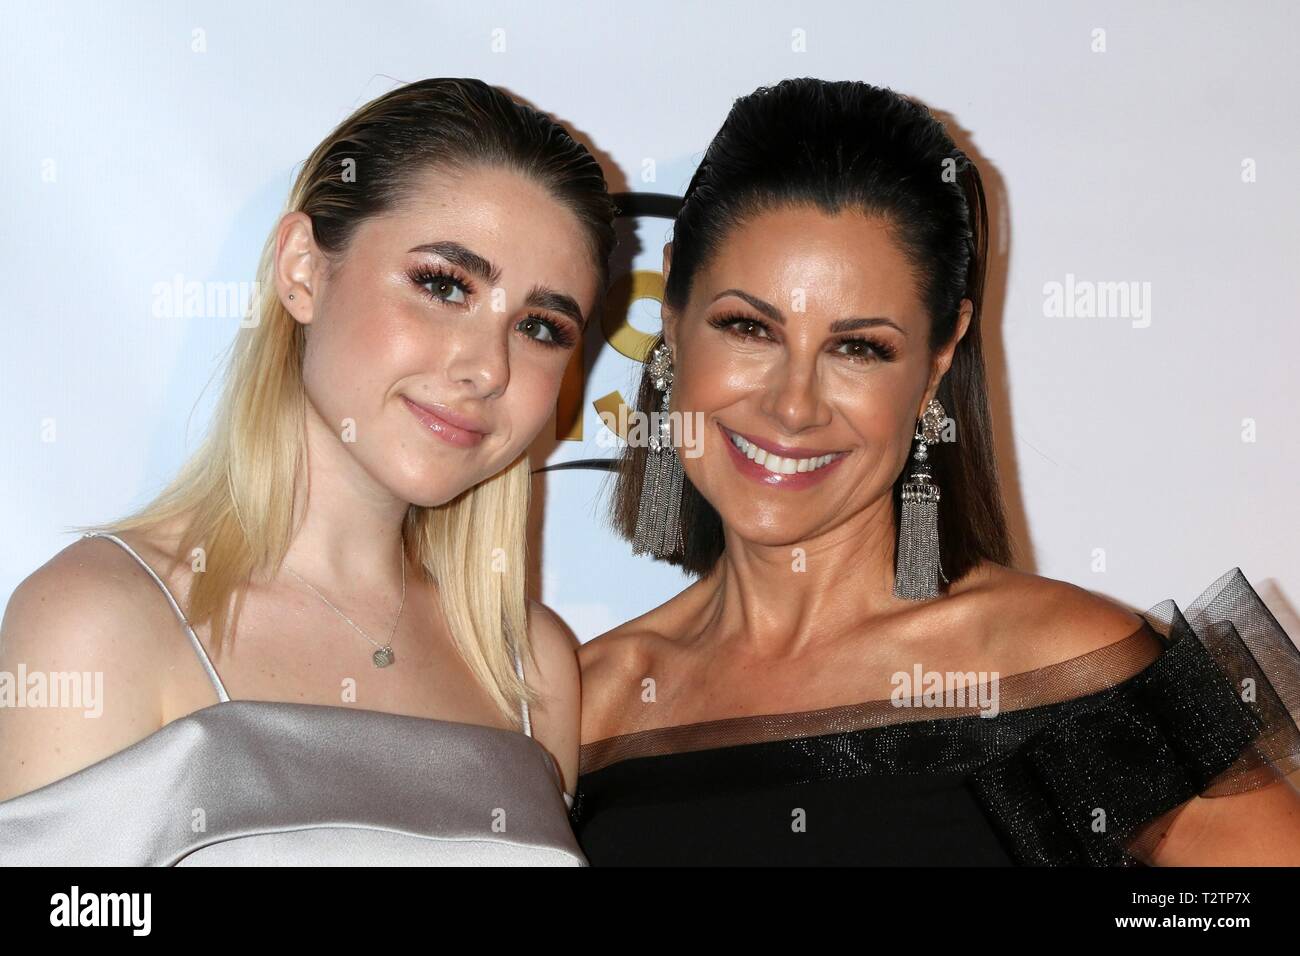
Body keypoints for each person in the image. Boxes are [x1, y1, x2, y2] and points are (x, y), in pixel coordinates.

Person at [571, 77, 1300, 866]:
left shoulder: (1064, 670)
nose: (792, 405)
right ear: (673, 308)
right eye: (748, 327)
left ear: (937, 358)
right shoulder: (586, 707)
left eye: (859, 347)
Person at [0, 77, 617, 865]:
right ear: (301, 270)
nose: (487, 368)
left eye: (539, 326)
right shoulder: (101, 621)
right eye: (443, 284)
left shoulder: (529, 666)